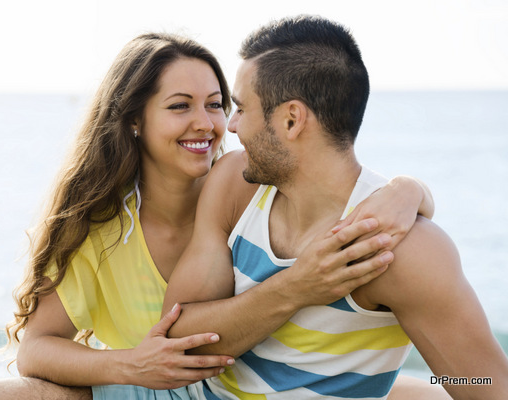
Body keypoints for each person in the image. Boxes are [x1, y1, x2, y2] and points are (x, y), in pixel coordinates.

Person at [0, 32, 435, 400]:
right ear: (135, 119)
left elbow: (334, 183)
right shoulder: (105, 231)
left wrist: (408, 189)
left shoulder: (245, 185)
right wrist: (129, 364)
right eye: (180, 105)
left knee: (455, 390)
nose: (208, 124)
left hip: (289, 385)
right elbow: (36, 350)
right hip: (159, 392)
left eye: (216, 104)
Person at [162, 15, 508, 400]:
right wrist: (296, 288)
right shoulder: (234, 183)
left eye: (242, 108)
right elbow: (176, 343)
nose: (231, 126)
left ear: (292, 120)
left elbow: (486, 387)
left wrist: (434, 387)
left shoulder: (399, 250)